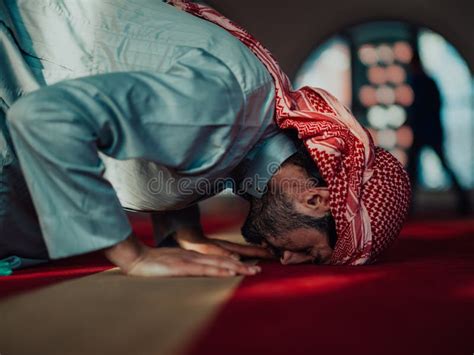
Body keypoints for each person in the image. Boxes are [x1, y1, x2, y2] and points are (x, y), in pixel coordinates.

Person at [0, 0, 410, 277]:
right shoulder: (227, 105)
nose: (286, 260)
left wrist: (184, 233)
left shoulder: (248, 127)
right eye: (310, 251)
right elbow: (45, 119)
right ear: (316, 199)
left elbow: (159, 133)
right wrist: (134, 256)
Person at [407, 52, 470, 214]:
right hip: (431, 131)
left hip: (425, 131)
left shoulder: (420, 82)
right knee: (440, 166)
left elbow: (420, 107)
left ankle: (407, 207)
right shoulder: (428, 81)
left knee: (413, 171)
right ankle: (463, 201)